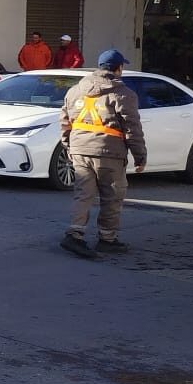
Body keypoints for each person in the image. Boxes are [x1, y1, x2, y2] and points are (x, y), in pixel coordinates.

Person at [59, 49, 145, 258]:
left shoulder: (75, 91)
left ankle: (74, 235)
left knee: (83, 194)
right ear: (119, 68)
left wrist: (68, 146)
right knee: (112, 196)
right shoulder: (123, 94)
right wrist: (140, 156)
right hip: (109, 152)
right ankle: (107, 239)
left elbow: (65, 122)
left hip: (79, 150)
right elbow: (132, 128)